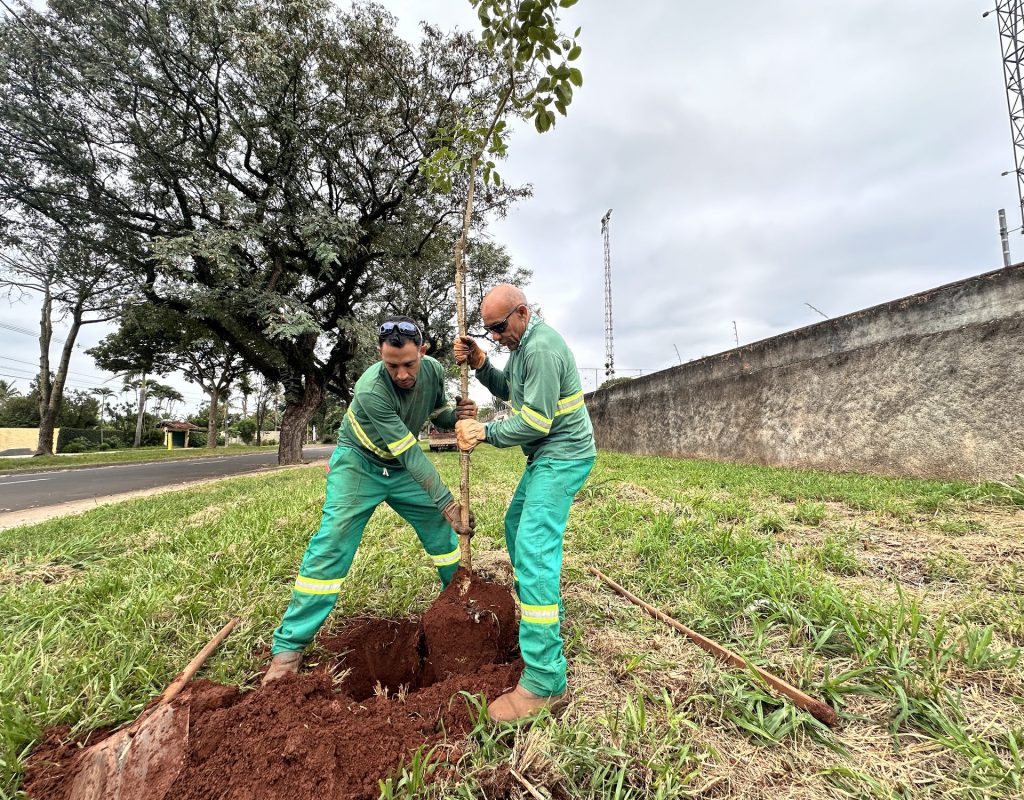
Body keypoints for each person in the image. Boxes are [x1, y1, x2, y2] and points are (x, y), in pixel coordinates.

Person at [264, 317, 476, 683]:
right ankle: (288, 650)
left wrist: (455, 414)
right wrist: (447, 503)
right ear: (380, 356)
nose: (402, 374)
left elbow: (434, 412)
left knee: (442, 535)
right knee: (333, 541)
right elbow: (411, 452)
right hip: (359, 462)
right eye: (392, 365)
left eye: (409, 364)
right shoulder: (370, 389)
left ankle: (459, 602)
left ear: (422, 353)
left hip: (399, 465)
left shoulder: (435, 371)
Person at [454, 284, 596, 722]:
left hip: (563, 454)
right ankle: (546, 616)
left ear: (521, 312)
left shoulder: (542, 349)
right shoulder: (522, 348)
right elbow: (511, 390)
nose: (496, 337)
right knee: (516, 526)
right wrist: (481, 365)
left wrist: (484, 433)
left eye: (499, 328)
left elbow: (534, 420)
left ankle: (546, 681)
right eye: (489, 331)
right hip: (546, 456)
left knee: (533, 547)